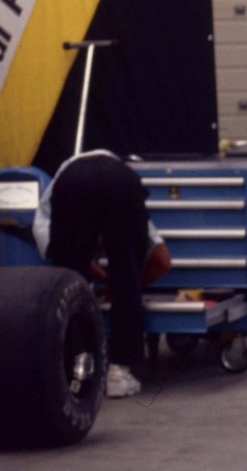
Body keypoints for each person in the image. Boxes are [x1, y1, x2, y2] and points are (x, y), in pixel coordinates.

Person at [32, 151, 172, 398]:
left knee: (69, 279)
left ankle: (71, 369)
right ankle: (119, 372)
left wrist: (94, 279)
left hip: (71, 185)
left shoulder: (59, 186)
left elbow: (59, 251)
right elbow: (162, 260)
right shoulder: (120, 178)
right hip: (120, 184)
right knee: (127, 272)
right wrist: (121, 284)